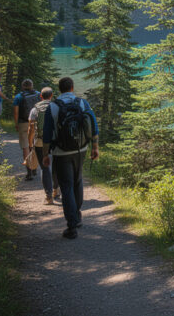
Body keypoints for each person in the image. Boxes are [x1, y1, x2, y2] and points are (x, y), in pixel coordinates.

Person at [42, 77, 99, 239]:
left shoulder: (52, 107)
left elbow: (46, 135)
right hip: (81, 149)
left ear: (59, 89)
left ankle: (71, 226)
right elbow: (93, 126)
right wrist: (95, 147)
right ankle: (77, 215)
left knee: (66, 186)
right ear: (72, 88)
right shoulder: (82, 103)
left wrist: (46, 155)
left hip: (61, 152)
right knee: (77, 181)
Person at [28, 87, 59, 204]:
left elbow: (31, 128)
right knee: (56, 165)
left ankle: (49, 197)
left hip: (40, 141)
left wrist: (30, 142)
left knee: (45, 168)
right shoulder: (56, 107)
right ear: (51, 96)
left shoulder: (35, 110)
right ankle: (56, 189)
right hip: (55, 141)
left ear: (41, 96)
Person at [13, 79, 41, 180]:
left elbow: (16, 112)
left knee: (26, 147)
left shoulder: (18, 97)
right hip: (35, 122)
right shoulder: (38, 94)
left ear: (22, 86)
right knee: (35, 145)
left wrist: (16, 124)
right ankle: (35, 168)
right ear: (32, 85)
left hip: (23, 123)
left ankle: (29, 170)